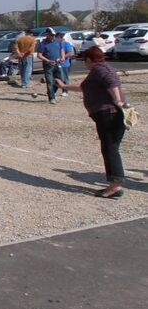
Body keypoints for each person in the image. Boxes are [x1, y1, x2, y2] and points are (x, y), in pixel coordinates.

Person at [55, 46, 129, 198]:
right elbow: (84, 88)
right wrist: (63, 86)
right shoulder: (99, 71)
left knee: (110, 149)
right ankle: (115, 184)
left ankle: (115, 186)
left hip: (109, 114)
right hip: (107, 114)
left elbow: (112, 82)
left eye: (85, 61)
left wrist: (117, 100)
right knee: (110, 148)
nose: (85, 63)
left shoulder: (100, 69)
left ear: (89, 59)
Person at [37, 27, 64, 103]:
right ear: (47, 35)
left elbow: (61, 50)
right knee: (49, 81)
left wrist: (63, 57)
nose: (53, 37)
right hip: (48, 65)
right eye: (51, 35)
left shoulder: (58, 41)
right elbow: (39, 55)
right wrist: (48, 61)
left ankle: (51, 92)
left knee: (60, 79)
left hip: (58, 63)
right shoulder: (43, 44)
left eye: (54, 35)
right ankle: (52, 98)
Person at [56, 31, 75, 96]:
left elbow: (70, 53)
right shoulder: (56, 44)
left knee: (64, 78)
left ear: (60, 38)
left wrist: (63, 57)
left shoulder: (66, 44)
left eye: (57, 38)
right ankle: (54, 91)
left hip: (64, 64)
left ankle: (65, 91)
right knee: (57, 78)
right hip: (56, 64)